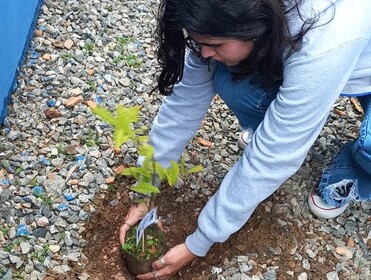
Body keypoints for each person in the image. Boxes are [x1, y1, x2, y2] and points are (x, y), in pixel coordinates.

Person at [119, 0, 371, 278]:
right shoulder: (220, 14)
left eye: (215, 45)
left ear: (254, 28)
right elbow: (181, 108)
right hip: (321, 56)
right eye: (198, 41)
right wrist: (146, 186)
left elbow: (274, 156)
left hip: (356, 59)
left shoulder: (325, 39)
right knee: (232, 80)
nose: (203, 52)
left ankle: (351, 170)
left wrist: (200, 241)